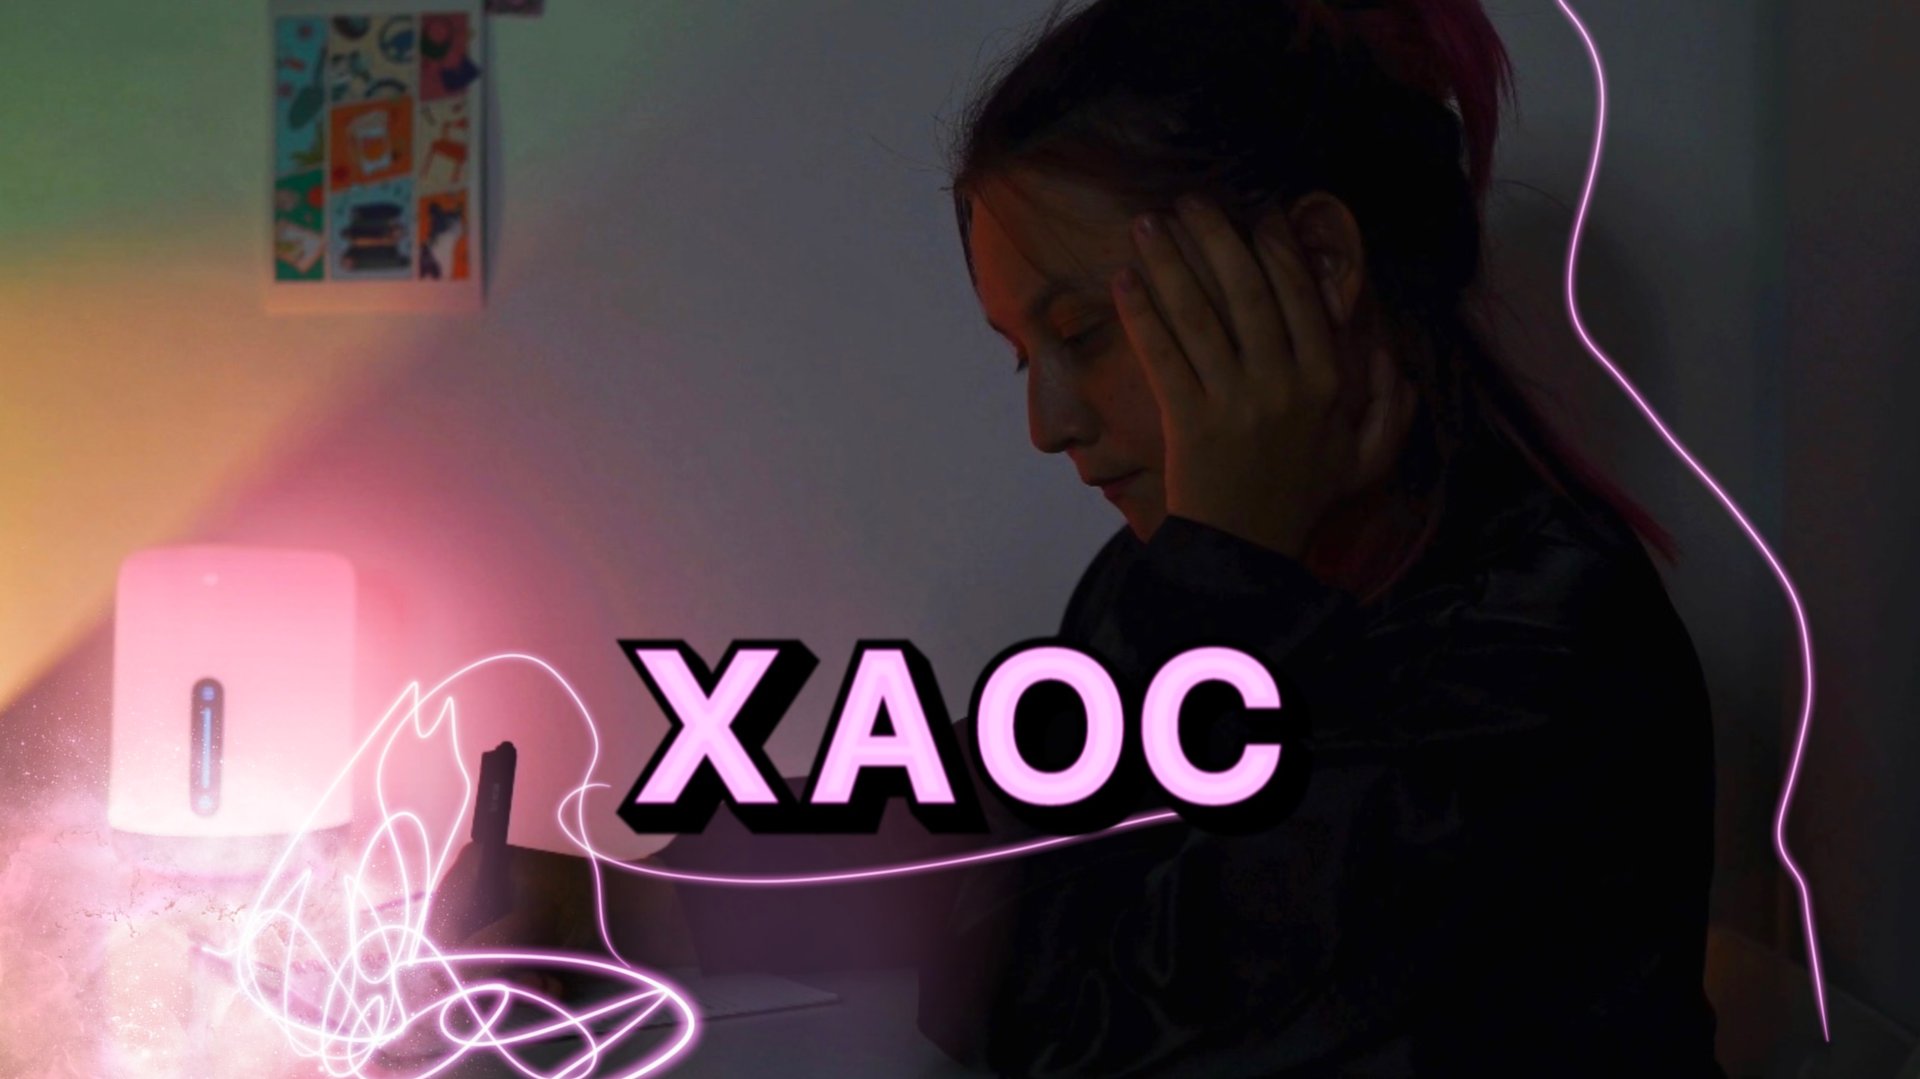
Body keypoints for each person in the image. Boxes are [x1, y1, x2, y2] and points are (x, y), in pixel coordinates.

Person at [435, 0, 1726, 1073]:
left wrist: (1230, 580)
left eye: (1086, 334)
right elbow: (976, 802)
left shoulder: (1544, 663)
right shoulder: (1177, 578)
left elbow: (1092, 1027)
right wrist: (623, 900)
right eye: (1023, 356)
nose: (1048, 422)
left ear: (1320, 267)